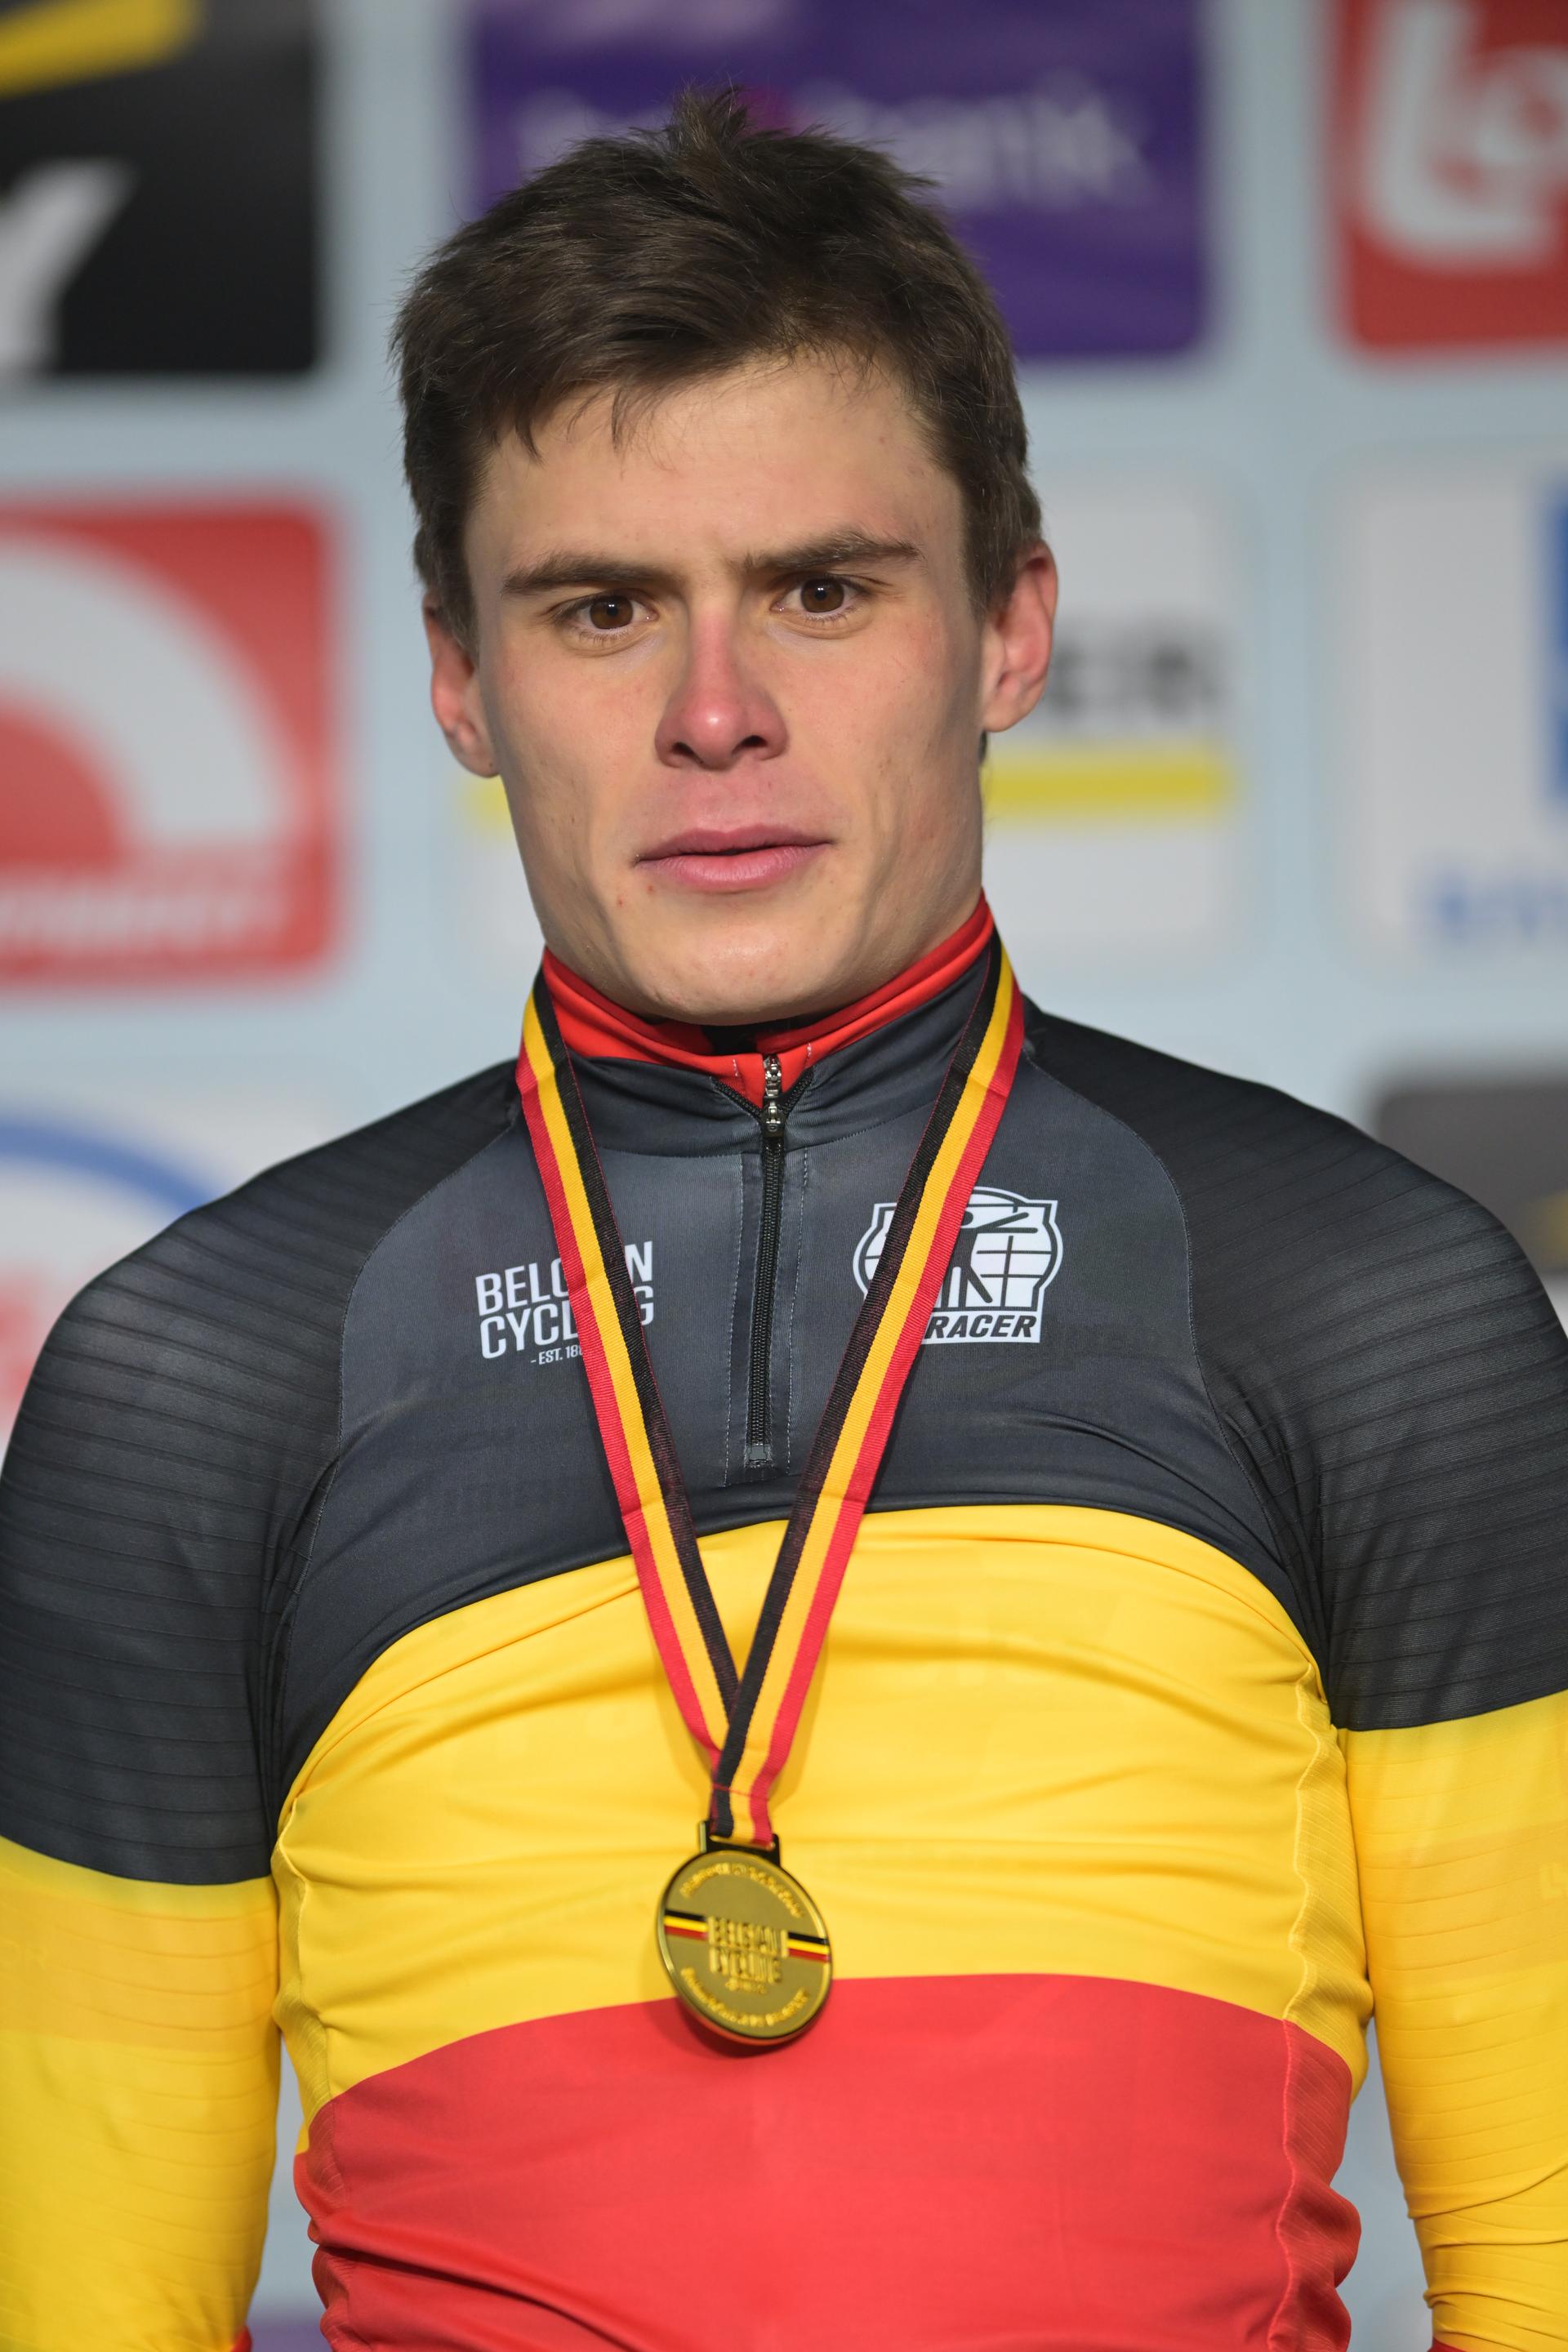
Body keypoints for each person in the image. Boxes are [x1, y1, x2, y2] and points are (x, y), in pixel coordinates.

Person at [1, 89, 1564, 2352]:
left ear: (1011, 628)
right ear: (458, 672)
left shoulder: (1379, 1309)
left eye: (822, 591)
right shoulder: (192, 1380)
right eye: (602, 607)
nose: (717, 714)